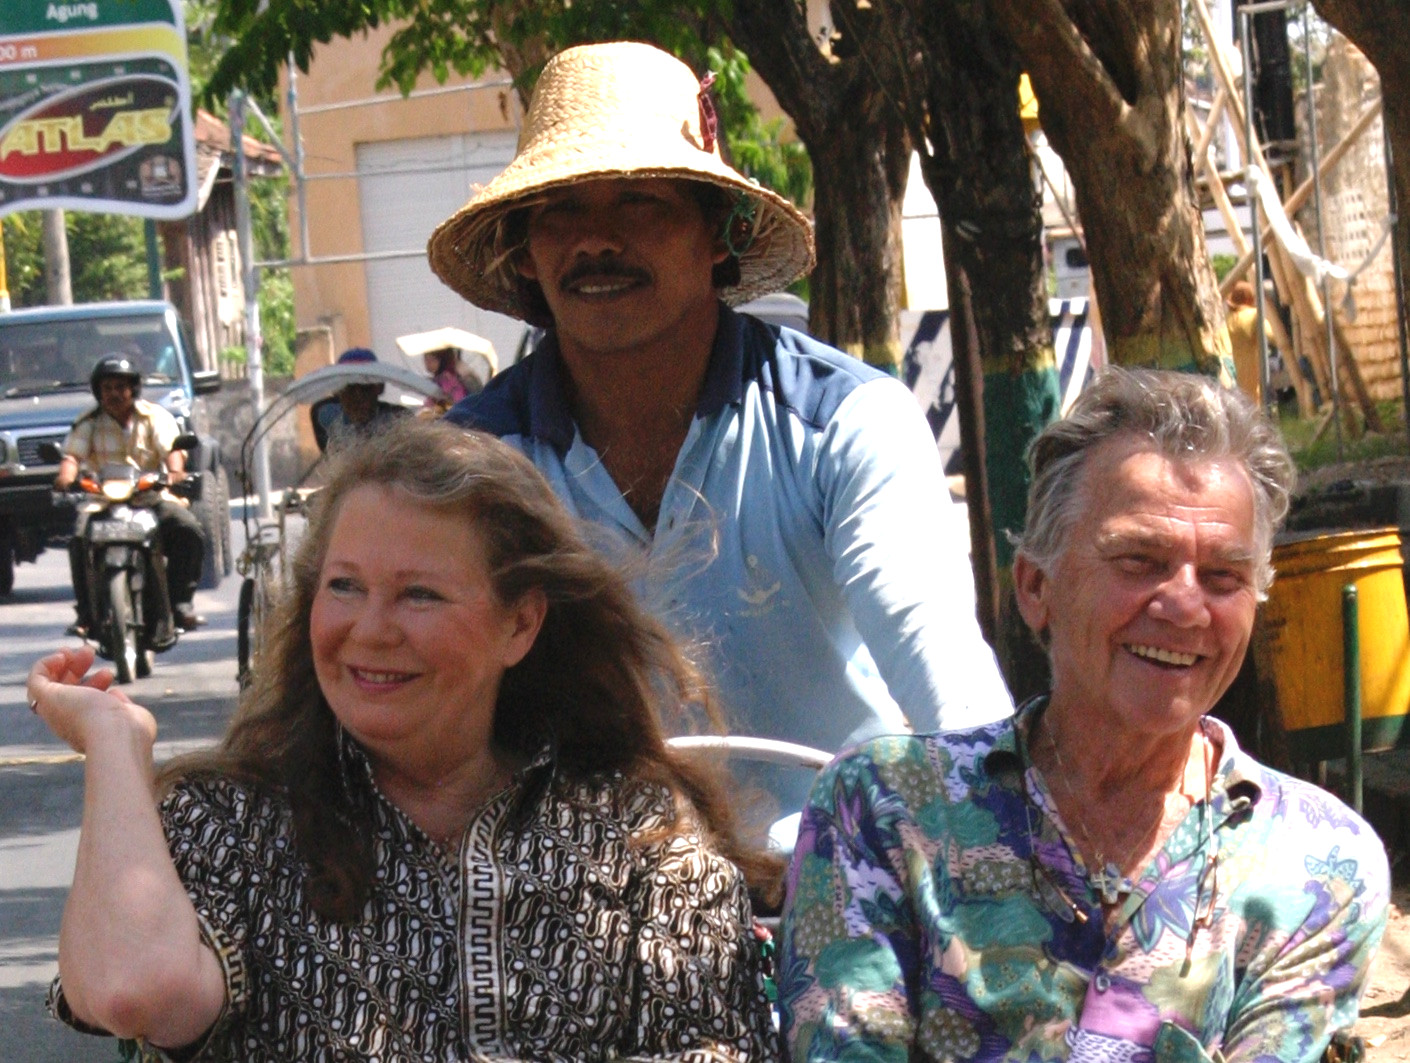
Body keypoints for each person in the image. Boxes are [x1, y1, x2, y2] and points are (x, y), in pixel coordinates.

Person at [28, 417, 779, 1061]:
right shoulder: (231, 822)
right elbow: (134, 991)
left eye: (419, 593)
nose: (371, 630)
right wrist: (116, 746)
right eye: (345, 586)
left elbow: (713, 1043)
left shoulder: (640, 831)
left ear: (520, 623)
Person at [428, 41, 1012, 806]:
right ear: (526, 253)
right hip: (582, 891)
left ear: (719, 235)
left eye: (640, 201)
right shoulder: (475, 461)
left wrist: (1003, 810)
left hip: (833, 881)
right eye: (562, 208)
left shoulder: (844, 422)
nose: (596, 239)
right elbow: (424, 703)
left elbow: (939, 662)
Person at [778, 367, 1389, 1062]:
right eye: (1139, 559)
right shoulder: (887, 809)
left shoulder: (1320, 863)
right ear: (1036, 587)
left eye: (1223, 576)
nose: (1185, 607)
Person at [54, 355, 205, 633]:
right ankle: (86, 616)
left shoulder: (154, 416)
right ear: (98, 392)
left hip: (149, 495)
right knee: (78, 539)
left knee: (189, 529)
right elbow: (72, 456)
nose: (114, 394)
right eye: (107, 388)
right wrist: (66, 476)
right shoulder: (88, 421)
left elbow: (172, 448)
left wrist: (175, 474)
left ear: (133, 389)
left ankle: (180, 603)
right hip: (102, 500)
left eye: (120, 387)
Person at [311, 347, 410, 451]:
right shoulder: (327, 416)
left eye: (365, 387)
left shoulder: (397, 420)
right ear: (338, 391)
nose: (358, 397)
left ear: (379, 388)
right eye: (350, 388)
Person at [1225, 280, 1274, 408]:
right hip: (1252, 366)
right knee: (1256, 403)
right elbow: (1271, 336)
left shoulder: (1228, 318)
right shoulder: (1253, 315)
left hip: (1232, 367)